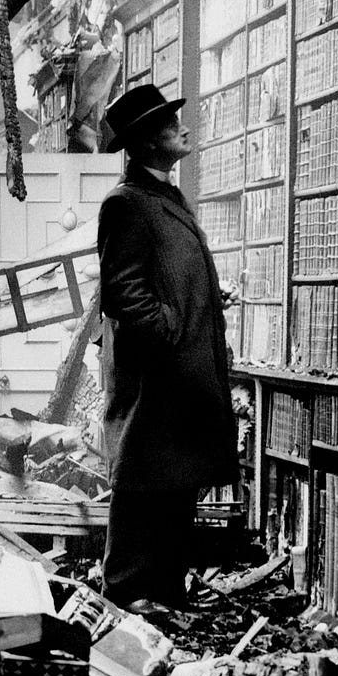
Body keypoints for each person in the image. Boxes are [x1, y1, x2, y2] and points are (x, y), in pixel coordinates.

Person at [97, 84, 239, 610]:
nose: (181, 127)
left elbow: (163, 275)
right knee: (141, 482)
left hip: (179, 369)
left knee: (176, 478)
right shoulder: (126, 203)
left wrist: (202, 294)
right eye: (166, 122)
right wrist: (170, 329)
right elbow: (123, 293)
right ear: (145, 142)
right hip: (155, 371)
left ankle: (166, 591)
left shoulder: (163, 197)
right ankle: (129, 590)